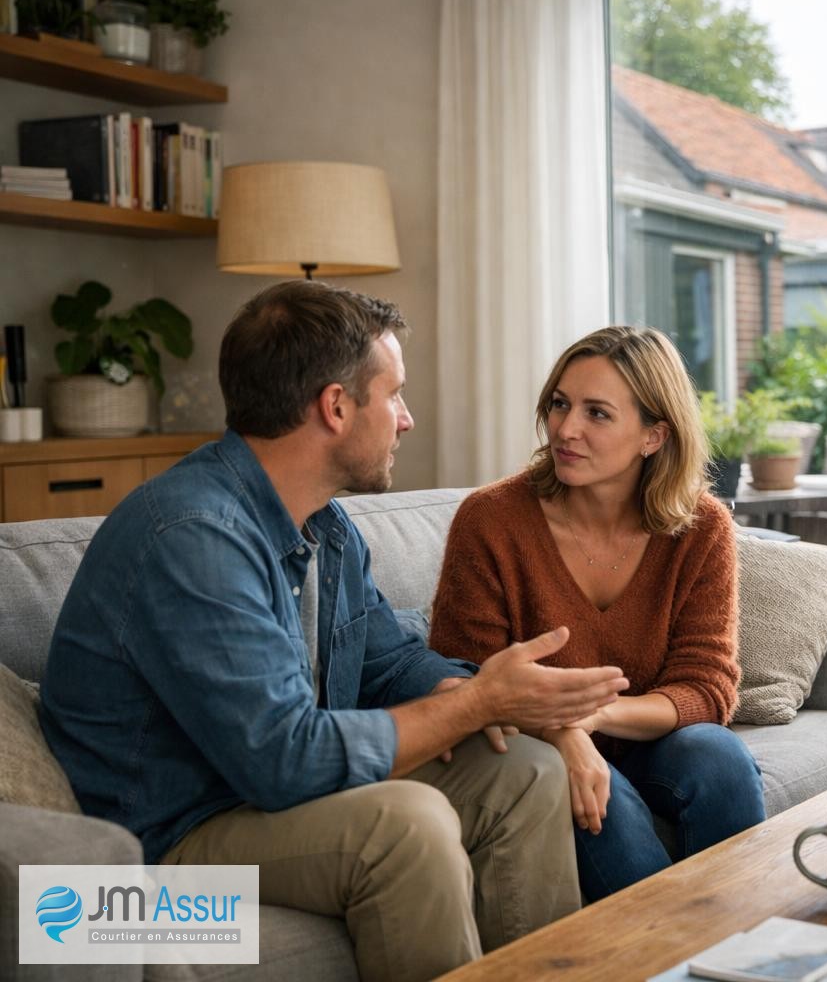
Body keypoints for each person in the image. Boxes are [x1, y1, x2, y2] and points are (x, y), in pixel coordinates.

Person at [40, 280, 630, 982]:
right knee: (405, 827)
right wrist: (478, 703)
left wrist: (530, 710)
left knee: (524, 774)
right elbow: (283, 761)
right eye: (394, 395)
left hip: (259, 801)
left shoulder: (324, 527)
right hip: (166, 837)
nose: (406, 419)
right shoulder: (193, 538)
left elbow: (391, 662)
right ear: (337, 406)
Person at [430, 325, 765, 902]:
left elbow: (707, 689)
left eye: (597, 413)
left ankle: (738, 939)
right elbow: (466, 680)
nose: (566, 429)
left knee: (720, 757)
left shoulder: (701, 527)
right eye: (560, 404)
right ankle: (672, 956)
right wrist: (562, 733)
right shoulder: (490, 521)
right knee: (593, 794)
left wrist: (591, 715)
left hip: (646, 739)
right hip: (532, 747)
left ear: (654, 436)